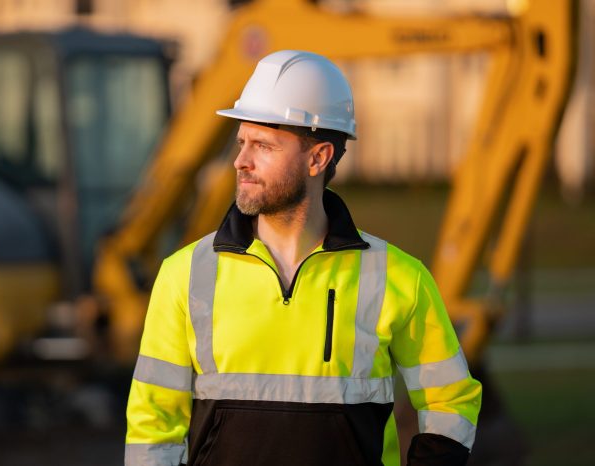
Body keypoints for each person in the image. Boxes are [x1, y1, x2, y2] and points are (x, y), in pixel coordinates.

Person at [124, 50, 481, 466]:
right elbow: (152, 423)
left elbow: (452, 400)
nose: (241, 161)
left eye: (263, 145)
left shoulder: (400, 278)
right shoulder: (183, 274)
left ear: (318, 158)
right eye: (241, 142)